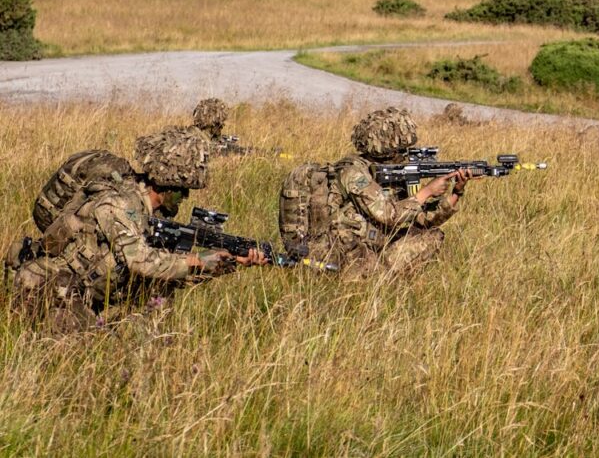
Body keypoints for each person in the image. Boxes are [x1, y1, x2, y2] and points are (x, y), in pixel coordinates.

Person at [7, 127, 266, 332]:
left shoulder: (147, 215)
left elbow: (171, 271)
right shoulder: (119, 203)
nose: (184, 198)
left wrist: (230, 262)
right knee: (90, 357)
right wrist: (199, 260)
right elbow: (141, 262)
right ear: (167, 186)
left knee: (160, 293)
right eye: (182, 192)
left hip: (85, 293)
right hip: (48, 286)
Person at [278, 107, 474, 278]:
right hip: (341, 252)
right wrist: (427, 191)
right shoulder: (353, 172)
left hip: (366, 245)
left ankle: (380, 275)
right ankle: (378, 278)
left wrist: (456, 192)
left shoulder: (389, 172)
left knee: (431, 236)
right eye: (403, 150)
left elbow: (422, 220)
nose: (406, 155)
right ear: (389, 147)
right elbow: (389, 215)